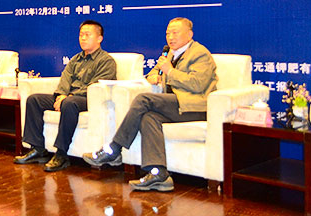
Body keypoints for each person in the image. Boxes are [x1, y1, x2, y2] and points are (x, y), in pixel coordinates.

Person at [83, 17, 218, 192]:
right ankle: (158, 173)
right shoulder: (169, 54)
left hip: (195, 107)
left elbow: (197, 84)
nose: (170, 37)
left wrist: (170, 71)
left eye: (175, 33)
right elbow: (153, 73)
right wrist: (153, 76)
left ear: (189, 34)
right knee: (149, 118)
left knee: (144, 100)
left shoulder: (200, 54)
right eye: (168, 33)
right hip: (176, 106)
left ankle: (114, 148)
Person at [14, 20, 117, 172]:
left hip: (88, 99)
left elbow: (96, 86)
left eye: (87, 35)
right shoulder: (75, 59)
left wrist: (68, 96)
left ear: (99, 38)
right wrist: (61, 94)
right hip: (68, 97)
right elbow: (65, 79)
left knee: (69, 103)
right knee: (34, 100)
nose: (83, 38)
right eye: (81, 35)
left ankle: (61, 154)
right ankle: (38, 149)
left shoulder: (106, 61)